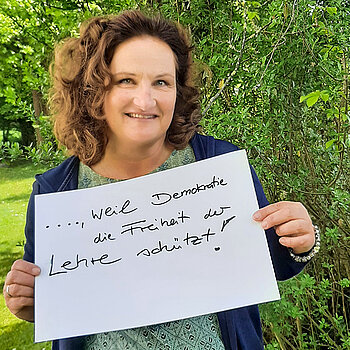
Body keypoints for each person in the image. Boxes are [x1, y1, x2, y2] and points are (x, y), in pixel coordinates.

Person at [3, 10, 320, 350]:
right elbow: (52, 298)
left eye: (161, 82)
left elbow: (267, 265)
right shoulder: (55, 192)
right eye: (126, 80)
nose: (145, 100)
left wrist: (301, 242)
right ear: (93, 89)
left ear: (177, 90)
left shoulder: (219, 165)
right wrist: (30, 304)